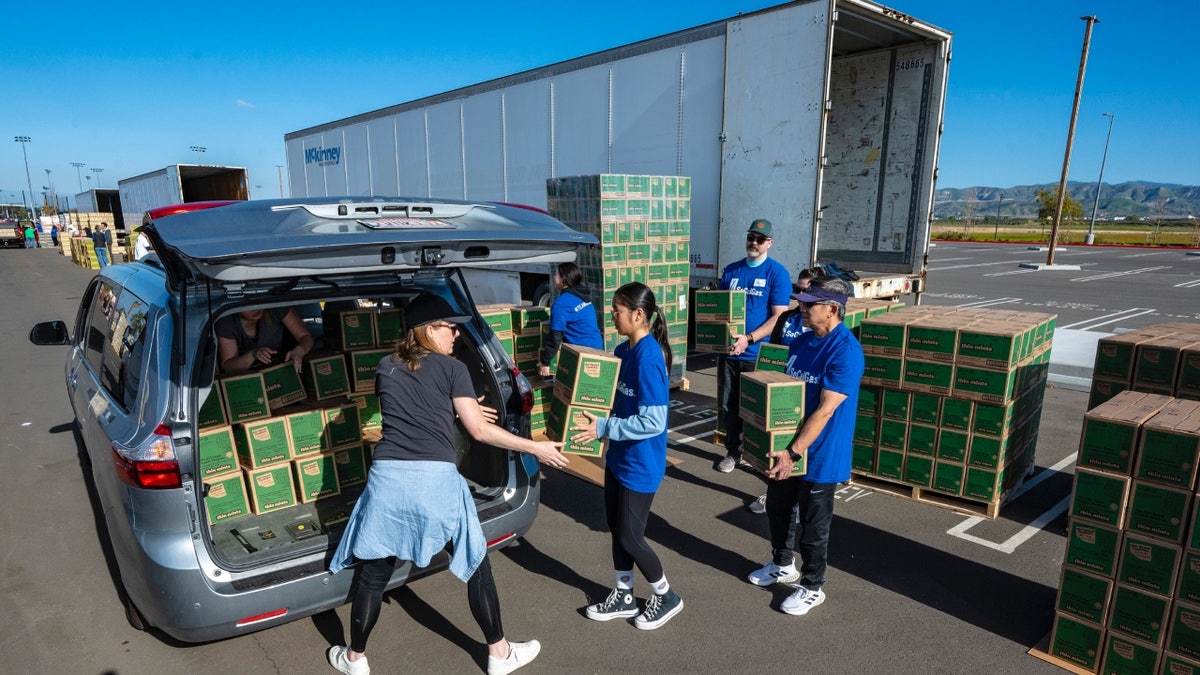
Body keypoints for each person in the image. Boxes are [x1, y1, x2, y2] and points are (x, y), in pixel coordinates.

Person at [326, 292, 569, 675]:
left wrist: (454, 409)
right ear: (426, 329)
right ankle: (500, 654)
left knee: (374, 574)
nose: (457, 334)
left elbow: (413, 409)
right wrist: (534, 447)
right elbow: (479, 432)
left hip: (388, 481)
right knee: (476, 565)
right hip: (434, 481)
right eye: (449, 327)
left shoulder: (385, 366)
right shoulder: (453, 369)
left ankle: (354, 659)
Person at [745, 276, 864, 617]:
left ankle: (813, 586)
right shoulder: (802, 343)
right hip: (788, 448)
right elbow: (783, 394)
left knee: (813, 525)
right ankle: (782, 564)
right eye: (801, 302)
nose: (802, 309)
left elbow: (825, 410)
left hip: (820, 454)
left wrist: (793, 452)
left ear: (832, 309)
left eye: (810, 304)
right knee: (778, 509)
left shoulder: (845, 351)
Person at [571, 282, 683, 630]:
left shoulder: (649, 358)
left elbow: (654, 420)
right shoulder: (622, 351)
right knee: (616, 530)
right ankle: (623, 594)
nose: (612, 317)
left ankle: (665, 595)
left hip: (641, 464)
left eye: (617, 311)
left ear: (638, 315)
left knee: (631, 536)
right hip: (619, 459)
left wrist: (605, 428)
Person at [714, 218, 792, 474]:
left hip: (755, 354)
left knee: (754, 410)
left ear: (769, 242)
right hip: (729, 354)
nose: (753, 242)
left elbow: (779, 316)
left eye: (759, 239)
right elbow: (719, 311)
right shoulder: (732, 271)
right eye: (750, 237)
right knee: (729, 406)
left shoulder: (776, 273)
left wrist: (749, 338)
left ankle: (756, 452)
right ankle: (733, 452)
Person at [748, 268, 819, 514]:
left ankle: (799, 503)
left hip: (809, 399)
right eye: (797, 290)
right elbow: (773, 355)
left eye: (805, 291)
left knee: (801, 452)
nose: (799, 296)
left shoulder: (819, 326)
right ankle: (774, 494)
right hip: (783, 397)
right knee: (778, 448)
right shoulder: (786, 318)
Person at [538, 261, 604, 378]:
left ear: (564, 279)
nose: (554, 276)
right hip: (597, 347)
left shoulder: (562, 304)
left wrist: (545, 362)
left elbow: (555, 337)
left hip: (583, 353)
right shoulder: (582, 295)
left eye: (556, 274)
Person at [216, 307, 314, 374]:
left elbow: (305, 337)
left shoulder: (274, 308)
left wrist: (299, 351)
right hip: (249, 378)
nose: (255, 308)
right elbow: (228, 365)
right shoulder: (227, 322)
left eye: (257, 301)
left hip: (283, 369)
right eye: (248, 305)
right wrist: (253, 354)